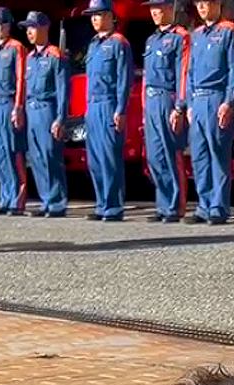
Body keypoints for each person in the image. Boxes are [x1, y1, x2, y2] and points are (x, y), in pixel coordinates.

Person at [185, 0, 234, 225]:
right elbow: (190, 72)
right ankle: (203, 204)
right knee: (199, 155)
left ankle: (219, 206)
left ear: (217, 4)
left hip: (217, 97)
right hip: (198, 99)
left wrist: (228, 101)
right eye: (198, 3)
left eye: (206, 2)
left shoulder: (228, 31)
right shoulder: (196, 35)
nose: (202, 7)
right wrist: (189, 103)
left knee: (218, 153)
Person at [82, 0, 134, 221]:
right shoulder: (93, 44)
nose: (94, 19)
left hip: (109, 103)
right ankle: (101, 203)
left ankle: (113, 206)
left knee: (109, 157)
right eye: (92, 15)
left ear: (111, 16)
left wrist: (120, 109)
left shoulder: (119, 43)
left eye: (99, 14)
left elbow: (124, 79)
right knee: (94, 159)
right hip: (92, 106)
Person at [141, 0, 191, 223]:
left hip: (167, 99)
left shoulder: (180, 37)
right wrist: (144, 107)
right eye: (152, 9)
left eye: (159, 7)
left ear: (170, 9)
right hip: (151, 100)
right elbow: (145, 77)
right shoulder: (151, 40)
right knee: (154, 156)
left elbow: (183, 73)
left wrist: (179, 106)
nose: (155, 12)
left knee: (171, 153)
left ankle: (175, 205)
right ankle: (162, 204)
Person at [20, 10, 70, 217]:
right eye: (27, 29)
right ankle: (46, 200)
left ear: (44, 28)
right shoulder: (30, 57)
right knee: (36, 158)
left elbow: (63, 89)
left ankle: (57, 202)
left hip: (47, 109)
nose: (29, 32)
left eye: (33, 27)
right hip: (32, 110)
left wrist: (60, 118)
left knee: (51, 156)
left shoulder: (55, 55)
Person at [0, 7, 28, 214]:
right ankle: (5, 197)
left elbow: (20, 79)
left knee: (14, 153)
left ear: (6, 25)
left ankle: (17, 200)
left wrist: (18, 106)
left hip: (10, 104)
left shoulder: (16, 48)